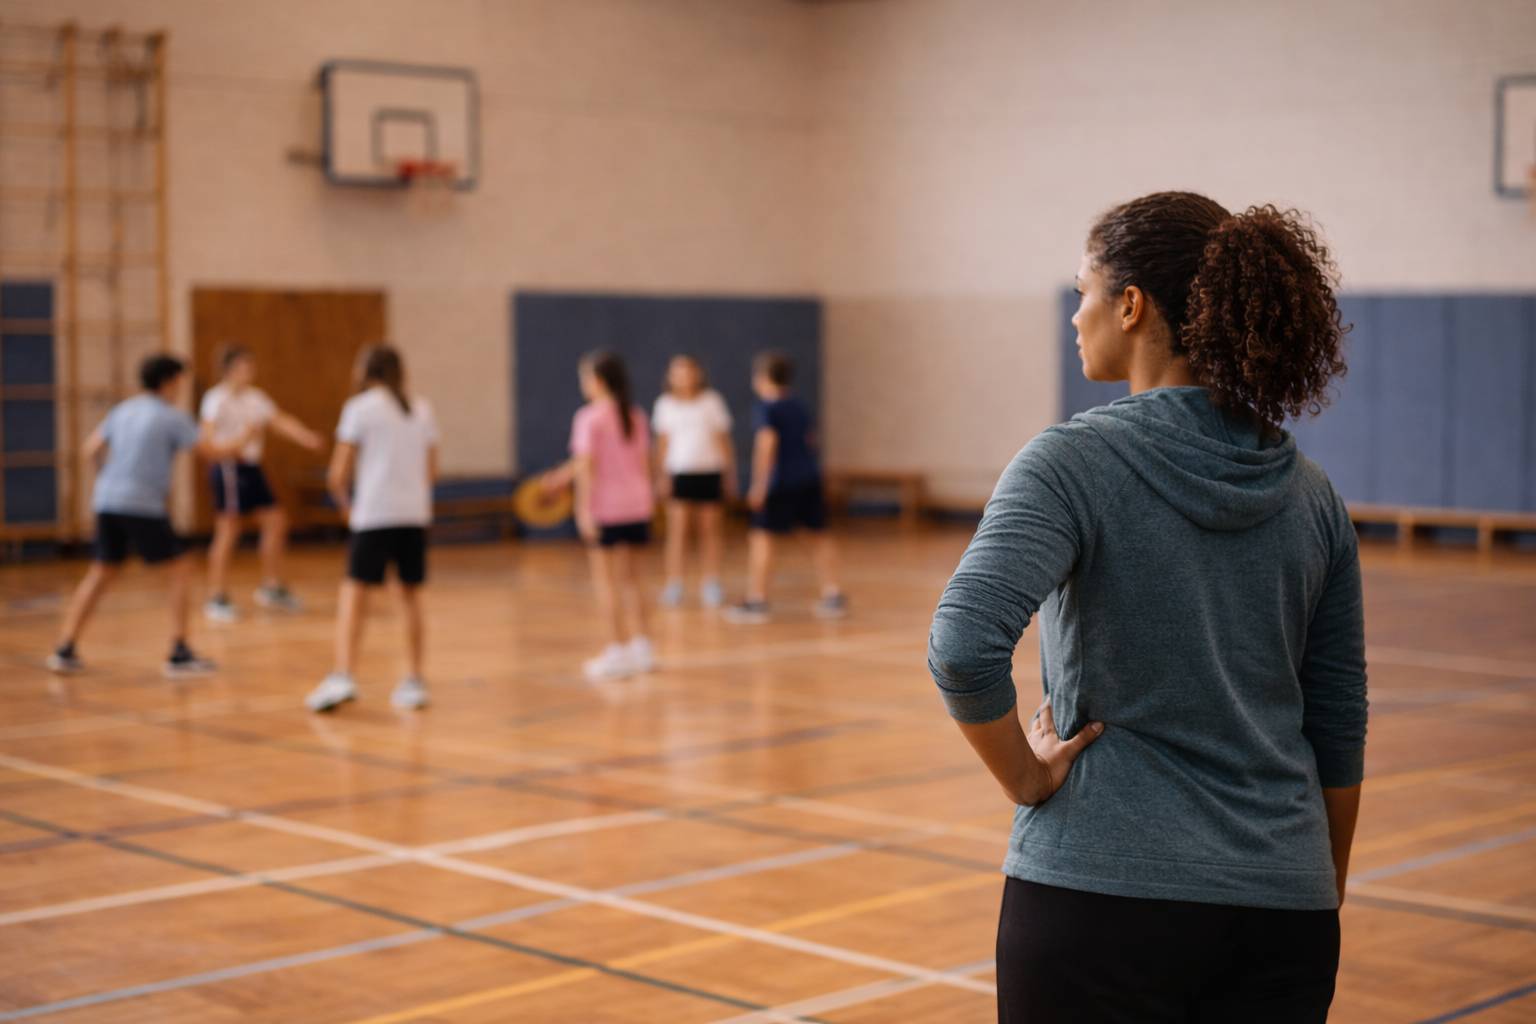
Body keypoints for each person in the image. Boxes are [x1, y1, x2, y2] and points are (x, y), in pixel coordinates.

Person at [926, 192, 1367, 1023]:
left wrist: (1026, 779)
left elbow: (961, 646)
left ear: (1131, 306)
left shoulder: (1070, 462)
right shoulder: (1315, 497)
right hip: (1285, 913)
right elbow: (1337, 726)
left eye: (1083, 291)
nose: (1075, 315)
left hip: (1099, 897)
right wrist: (1309, 886)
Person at [47, 354, 253, 678]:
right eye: (181, 380)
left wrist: (107, 481)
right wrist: (244, 439)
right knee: (180, 570)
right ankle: (179, 651)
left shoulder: (123, 409)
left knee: (101, 572)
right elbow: (211, 452)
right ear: (170, 381)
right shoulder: (172, 417)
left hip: (106, 500)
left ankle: (65, 647)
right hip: (141, 505)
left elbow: (90, 450)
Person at [305, 345, 437, 712]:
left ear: (364, 372)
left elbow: (336, 474)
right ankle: (414, 679)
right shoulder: (421, 409)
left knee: (355, 596)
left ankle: (344, 674)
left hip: (374, 515)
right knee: (410, 597)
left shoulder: (359, 409)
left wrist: (347, 507)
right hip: (413, 516)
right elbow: (431, 471)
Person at [200, 345, 323, 622]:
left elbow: (279, 420)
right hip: (229, 468)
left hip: (252, 468)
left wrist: (306, 437)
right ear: (229, 370)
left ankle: (271, 587)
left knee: (276, 522)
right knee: (228, 529)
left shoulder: (255, 398)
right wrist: (241, 440)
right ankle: (216, 596)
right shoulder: (215, 399)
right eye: (244, 366)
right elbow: (207, 441)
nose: (250, 372)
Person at [553, 350, 656, 680]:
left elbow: (587, 466)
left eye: (585, 376)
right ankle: (643, 647)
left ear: (596, 381)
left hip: (607, 508)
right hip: (638, 504)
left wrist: (583, 510)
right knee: (636, 579)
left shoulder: (588, 417)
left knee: (607, 583)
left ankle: (617, 649)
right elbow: (644, 463)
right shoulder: (635, 415)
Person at [722, 351, 845, 624]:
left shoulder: (767, 407)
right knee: (818, 536)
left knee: (762, 538)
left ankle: (757, 599)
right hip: (808, 479)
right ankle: (833, 593)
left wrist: (759, 485)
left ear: (762, 378)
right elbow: (811, 442)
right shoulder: (800, 406)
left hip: (780, 483)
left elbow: (767, 444)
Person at [652, 354, 736, 608]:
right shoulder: (665, 404)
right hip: (679, 474)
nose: (685, 376)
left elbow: (723, 440)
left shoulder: (711, 402)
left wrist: (728, 474)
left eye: (689, 370)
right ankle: (674, 583)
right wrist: (661, 476)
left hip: (709, 472)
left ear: (698, 374)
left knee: (709, 531)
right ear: (671, 376)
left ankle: (711, 582)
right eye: (678, 371)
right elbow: (663, 444)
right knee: (678, 532)